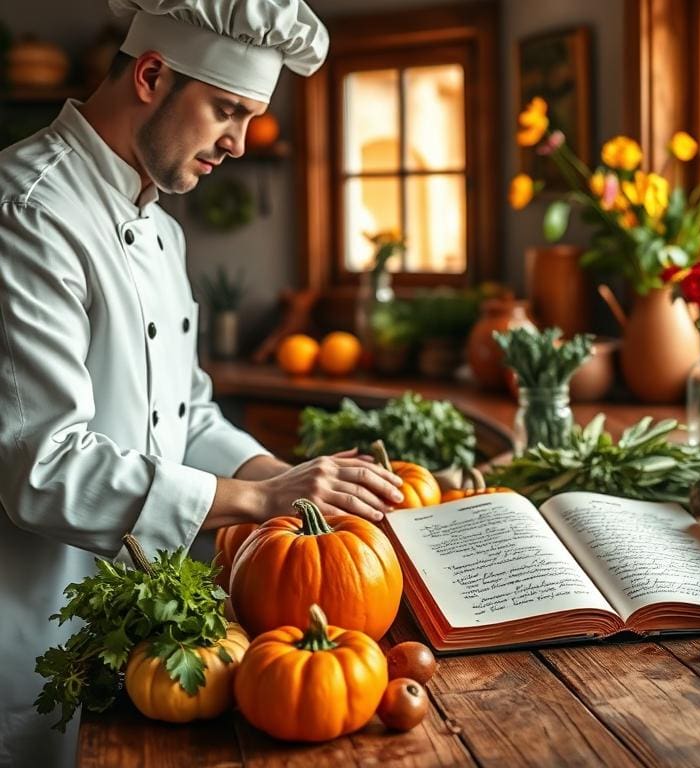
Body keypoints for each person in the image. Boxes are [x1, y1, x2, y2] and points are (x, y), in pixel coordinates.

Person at [0, 2, 408, 766]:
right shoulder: (26, 213)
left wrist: (292, 479)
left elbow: (185, 416)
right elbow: (42, 467)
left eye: (251, 116)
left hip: (141, 644)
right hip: (31, 644)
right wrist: (257, 501)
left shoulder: (162, 226)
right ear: (152, 76)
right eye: (228, 110)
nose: (240, 142)